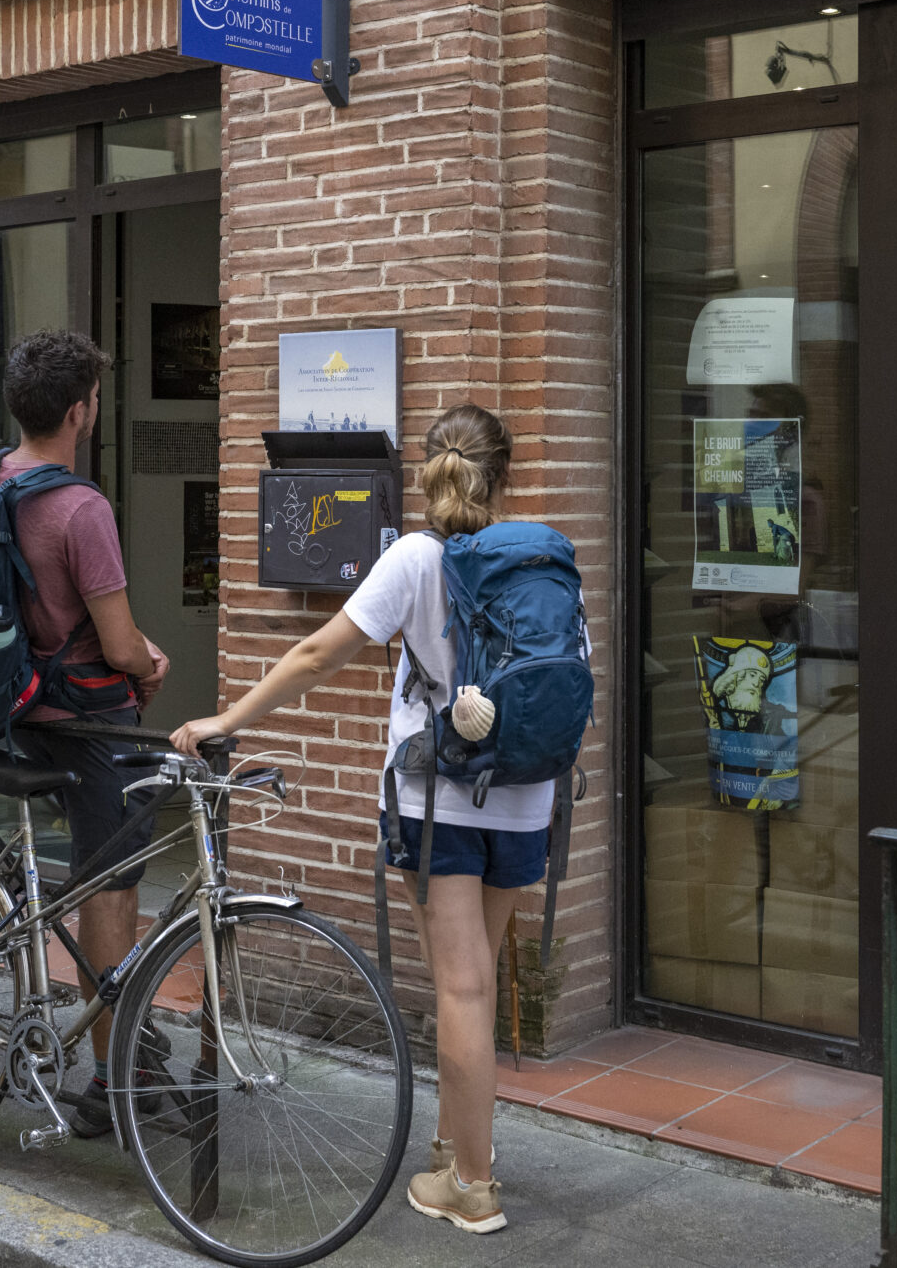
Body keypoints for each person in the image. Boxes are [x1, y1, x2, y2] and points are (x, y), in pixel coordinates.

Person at [171, 404, 565, 1235]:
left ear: (426, 470)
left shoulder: (416, 557)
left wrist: (228, 718)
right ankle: (453, 1146)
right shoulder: (543, 557)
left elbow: (318, 653)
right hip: (526, 798)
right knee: (478, 978)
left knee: (460, 986)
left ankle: (474, 1184)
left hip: (439, 802)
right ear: (507, 474)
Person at [0, 329, 171, 1135]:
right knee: (112, 885)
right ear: (78, 411)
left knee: (88, 877)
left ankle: (116, 1032)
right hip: (88, 723)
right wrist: (152, 659)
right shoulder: (81, 508)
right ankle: (111, 1074)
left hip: (19, 711)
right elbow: (121, 642)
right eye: (94, 397)